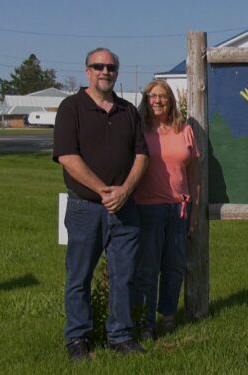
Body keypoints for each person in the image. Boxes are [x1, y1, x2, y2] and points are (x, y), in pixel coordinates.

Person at [53, 48, 148, 360]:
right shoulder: (72, 108)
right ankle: (78, 339)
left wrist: (124, 190)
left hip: (126, 207)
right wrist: (104, 190)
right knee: (79, 275)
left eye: (110, 67)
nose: (105, 71)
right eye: (98, 66)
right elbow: (67, 156)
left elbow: (141, 155)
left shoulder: (127, 111)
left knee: (124, 276)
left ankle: (120, 335)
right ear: (87, 71)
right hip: (85, 209)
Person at [132, 79, 200, 340]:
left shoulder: (183, 130)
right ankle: (146, 322)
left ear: (171, 100)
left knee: (174, 265)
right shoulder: (138, 130)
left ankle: (168, 315)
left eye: (163, 96)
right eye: (152, 96)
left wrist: (194, 210)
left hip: (178, 209)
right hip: (146, 209)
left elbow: (194, 173)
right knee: (147, 269)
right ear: (145, 100)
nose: (157, 100)